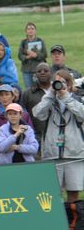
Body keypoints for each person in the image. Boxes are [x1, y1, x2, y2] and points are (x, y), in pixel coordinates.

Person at [33, 70, 84, 202]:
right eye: (56, 81)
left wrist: (66, 97)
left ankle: (72, 221)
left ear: (68, 83)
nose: (58, 84)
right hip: (53, 152)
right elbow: (37, 113)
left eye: (62, 81)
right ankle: (58, 221)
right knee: (53, 192)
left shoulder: (78, 98)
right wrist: (50, 94)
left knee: (73, 192)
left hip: (74, 153)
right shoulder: (50, 100)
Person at [0, 84, 33, 164]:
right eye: (1, 95)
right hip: (0, 157)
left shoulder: (24, 115)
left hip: (22, 156)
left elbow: (30, 134)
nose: (4, 97)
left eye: (7, 94)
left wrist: (19, 143)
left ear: (13, 96)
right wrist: (1, 139)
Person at [20, 62, 52, 142]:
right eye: (39, 71)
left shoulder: (59, 91)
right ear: (35, 74)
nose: (42, 73)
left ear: (51, 73)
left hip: (57, 135)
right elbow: (22, 116)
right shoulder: (27, 93)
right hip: (36, 136)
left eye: (45, 70)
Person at [17, 22, 47, 89]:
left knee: (40, 88)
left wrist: (36, 55)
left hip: (38, 69)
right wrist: (27, 57)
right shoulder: (23, 42)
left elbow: (45, 54)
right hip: (26, 70)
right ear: (26, 31)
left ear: (35, 31)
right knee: (29, 89)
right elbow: (19, 55)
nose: (30, 30)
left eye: (32, 29)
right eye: (28, 29)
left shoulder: (40, 41)